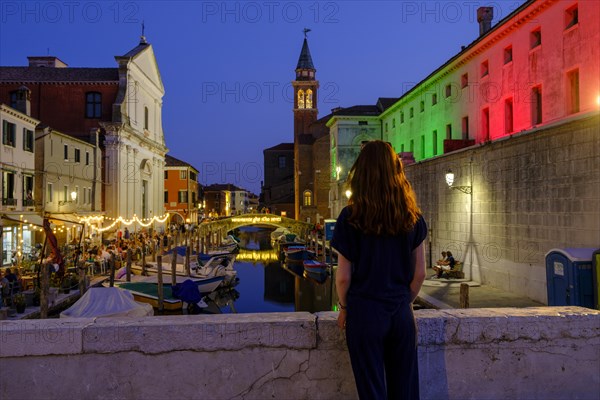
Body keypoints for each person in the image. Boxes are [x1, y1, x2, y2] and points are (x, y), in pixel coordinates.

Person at [331, 140, 427, 400]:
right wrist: (401, 301)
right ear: (396, 171)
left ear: (360, 172)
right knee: (405, 391)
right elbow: (420, 273)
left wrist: (344, 308)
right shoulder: (412, 216)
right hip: (400, 313)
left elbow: (343, 277)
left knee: (372, 391)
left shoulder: (350, 217)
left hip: (364, 313)